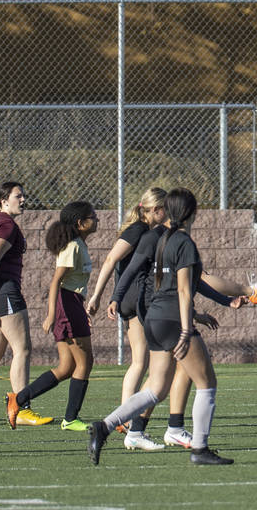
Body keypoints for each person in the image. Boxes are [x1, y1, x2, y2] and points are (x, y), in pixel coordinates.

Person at [88, 188, 233, 465]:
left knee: (155, 389)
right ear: (192, 213)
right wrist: (187, 327)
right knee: (207, 383)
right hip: (171, 319)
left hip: (153, 318)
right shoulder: (183, 242)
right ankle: (200, 449)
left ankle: (104, 426)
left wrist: (116, 297)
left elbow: (137, 270)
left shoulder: (157, 238)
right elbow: (184, 288)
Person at [86, 188, 172, 449]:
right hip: (133, 300)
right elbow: (112, 258)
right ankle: (124, 419)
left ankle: (126, 419)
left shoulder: (148, 231)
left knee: (142, 361)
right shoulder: (137, 230)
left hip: (136, 299)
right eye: (165, 208)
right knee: (139, 362)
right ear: (156, 210)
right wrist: (99, 296)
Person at [7, 201, 97, 431]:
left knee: (67, 367)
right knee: (85, 362)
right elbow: (56, 281)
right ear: (80, 223)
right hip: (66, 304)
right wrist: (50, 316)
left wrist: (81, 308)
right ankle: (70, 419)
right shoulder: (73, 246)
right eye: (92, 216)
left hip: (72, 303)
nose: (96, 219)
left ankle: (18, 398)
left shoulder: (79, 244)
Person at [0, 183, 48, 425]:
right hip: (4, 291)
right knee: (22, 349)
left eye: (23, 195)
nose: (24, 199)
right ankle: (22, 407)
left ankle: (20, 404)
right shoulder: (6, 224)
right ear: (3, 201)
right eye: (18, 196)